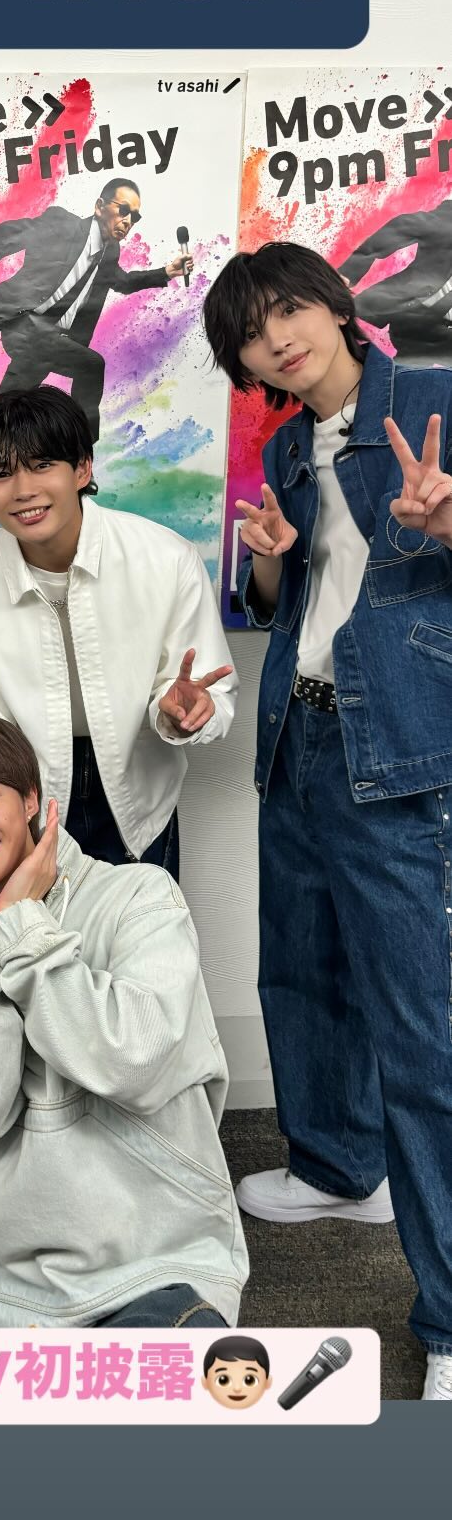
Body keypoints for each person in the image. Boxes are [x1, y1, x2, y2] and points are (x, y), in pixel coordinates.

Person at [203, 238, 452, 1402]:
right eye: (253, 337)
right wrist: (272, 567)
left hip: (396, 744)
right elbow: (298, 599)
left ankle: (448, 1318)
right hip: (297, 734)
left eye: (288, 311)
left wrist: (447, 523)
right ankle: (341, 1167)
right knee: (299, 971)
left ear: (335, 304)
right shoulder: (286, 447)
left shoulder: (435, 399)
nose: (278, 341)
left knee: (423, 1035)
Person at [0, 712, 247, 1329]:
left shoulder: (140, 897)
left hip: (152, 1268)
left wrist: (20, 928)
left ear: (31, 800)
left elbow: (128, 1061)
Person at [0, 386, 235, 877]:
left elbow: (210, 691)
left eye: (42, 465)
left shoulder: (166, 559)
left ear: (82, 469)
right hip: (23, 792)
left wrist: (182, 712)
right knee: (33, 927)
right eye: (1, 474)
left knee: (143, 924)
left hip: (138, 784)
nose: (23, 490)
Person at [0, 180, 191, 518]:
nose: (127, 221)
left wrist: (166, 272)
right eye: (123, 210)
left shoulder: (109, 253)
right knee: (91, 366)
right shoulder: (61, 225)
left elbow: (121, 282)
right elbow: (7, 235)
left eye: (134, 217)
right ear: (99, 206)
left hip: (53, 341)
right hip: (25, 327)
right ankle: (80, 461)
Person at [334, 196, 452, 365]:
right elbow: (399, 228)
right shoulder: (445, 221)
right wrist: (347, 273)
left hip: (437, 322)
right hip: (410, 311)